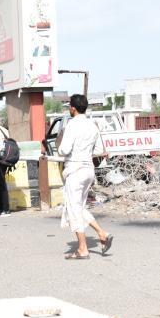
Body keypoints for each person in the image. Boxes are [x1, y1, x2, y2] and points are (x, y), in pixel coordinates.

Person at [55, 94, 114, 260]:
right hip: (89, 170)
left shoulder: (72, 125)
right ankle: (102, 233)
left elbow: (64, 150)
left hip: (75, 171)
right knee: (79, 208)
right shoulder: (92, 125)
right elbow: (99, 150)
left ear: (73, 108)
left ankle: (82, 249)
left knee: (73, 210)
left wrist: (64, 148)